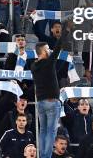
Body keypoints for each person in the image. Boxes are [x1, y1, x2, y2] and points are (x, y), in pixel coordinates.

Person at [32, 27, 70, 158]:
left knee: (43, 131)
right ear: (42, 52)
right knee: (50, 132)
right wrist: (66, 31)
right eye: (47, 49)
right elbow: (58, 48)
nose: (49, 50)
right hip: (52, 103)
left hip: (41, 103)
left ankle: (43, 155)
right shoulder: (48, 63)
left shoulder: (34, 65)